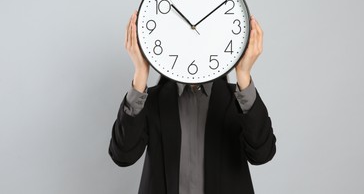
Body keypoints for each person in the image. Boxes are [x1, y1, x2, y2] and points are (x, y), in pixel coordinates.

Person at [109, 11, 276, 194]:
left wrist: (243, 75)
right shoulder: (152, 100)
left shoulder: (238, 100)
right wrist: (140, 73)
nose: (194, 44)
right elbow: (122, 155)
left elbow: (262, 154)